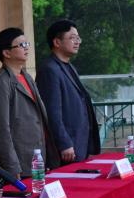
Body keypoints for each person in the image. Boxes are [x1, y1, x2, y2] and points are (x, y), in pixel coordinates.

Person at [0, 27, 59, 178]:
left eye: (27, 44)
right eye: (21, 45)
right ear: (7, 53)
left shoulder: (26, 76)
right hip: (18, 164)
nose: (26, 48)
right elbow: (0, 129)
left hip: (36, 158)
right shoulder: (0, 83)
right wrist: (12, 166)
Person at [35, 20, 100, 164]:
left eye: (78, 38)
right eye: (72, 38)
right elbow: (52, 112)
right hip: (67, 148)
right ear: (57, 42)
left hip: (80, 143)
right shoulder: (49, 69)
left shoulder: (69, 66)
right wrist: (64, 143)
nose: (77, 42)